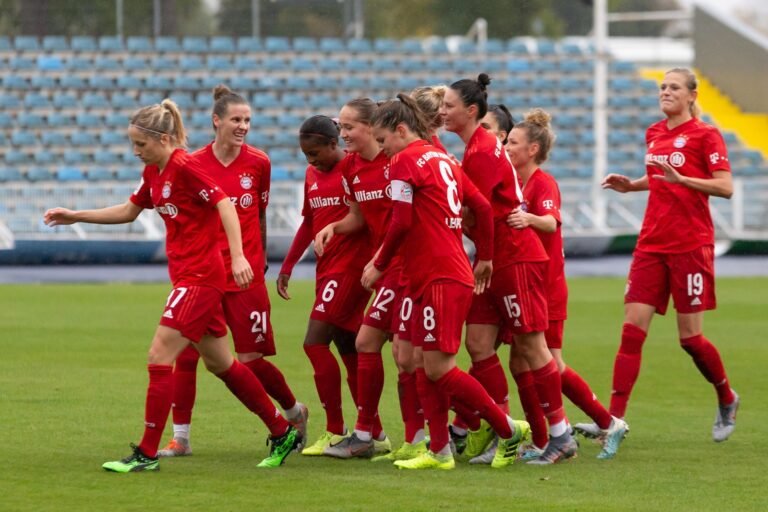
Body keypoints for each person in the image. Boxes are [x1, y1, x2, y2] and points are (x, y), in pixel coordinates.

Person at [43, 100, 301, 472]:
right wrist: (75, 215)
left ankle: (147, 453)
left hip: (201, 278)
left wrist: (240, 255)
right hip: (186, 276)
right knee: (221, 363)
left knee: (159, 355)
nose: (136, 151)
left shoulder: (184, 166)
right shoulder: (155, 171)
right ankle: (282, 430)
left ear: (163, 139)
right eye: (133, 144)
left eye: (141, 145)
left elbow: (226, 204)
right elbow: (130, 211)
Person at [362, 94, 530, 469]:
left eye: (383, 139)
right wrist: (483, 255)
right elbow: (483, 207)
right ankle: (438, 450)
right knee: (422, 360)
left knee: (438, 367)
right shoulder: (445, 159)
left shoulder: (404, 161)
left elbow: (401, 222)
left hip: (439, 275)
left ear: (401, 130)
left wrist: (379, 263)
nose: (383, 148)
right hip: (440, 272)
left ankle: (507, 428)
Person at [577, 68, 738, 443]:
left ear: (692, 96)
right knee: (631, 333)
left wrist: (685, 181)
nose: (665, 92)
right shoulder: (654, 132)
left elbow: (726, 187)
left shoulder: (706, 135)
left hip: (690, 245)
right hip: (651, 243)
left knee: (690, 340)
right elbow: (661, 176)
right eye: (662, 87)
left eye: (674, 87)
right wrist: (633, 185)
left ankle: (727, 397)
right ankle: (612, 423)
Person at [157, 86, 308, 458]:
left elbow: (257, 214)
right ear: (217, 121)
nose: (243, 126)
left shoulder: (259, 163)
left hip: (246, 275)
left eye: (247, 120)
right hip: (204, 273)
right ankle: (182, 438)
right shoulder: (192, 164)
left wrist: (259, 262)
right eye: (236, 119)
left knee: (251, 361)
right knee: (187, 354)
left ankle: (294, 412)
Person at [440, 74, 578, 464]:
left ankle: (560, 434)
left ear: (470, 111)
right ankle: (506, 431)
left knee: (533, 347)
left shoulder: (482, 151)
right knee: (479, 344)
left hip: (511, 257)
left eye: (449, 106)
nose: (443, 112)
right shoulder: (476, 149)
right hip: (492, 259)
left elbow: (479, 210)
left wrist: (478, 252)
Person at [505, 108, 628, 460]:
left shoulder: (543, 183)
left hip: (547, 284)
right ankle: (544, 437)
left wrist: (528, 218)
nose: (506, 147)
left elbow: (550, 222)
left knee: (549, 363)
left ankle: (605, 422)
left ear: (532, 149)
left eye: (512, 142)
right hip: (528, 281)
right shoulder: (518, 182)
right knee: (521, 362)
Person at [277, 115, 373, 456]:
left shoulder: (355, 169)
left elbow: (366, 218)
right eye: (305, 154)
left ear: (336, 144)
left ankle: (335, 430)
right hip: (327, 269)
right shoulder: (311, 175)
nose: (311, 160)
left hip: (350, 269)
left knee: (314, 343)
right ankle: (371, 431)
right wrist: (287, 266)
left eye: (315, 152)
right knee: (349, 350)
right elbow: (309, 222)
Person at [314, 98, 397, 459]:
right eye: (340, 127)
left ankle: (482, 424)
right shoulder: (352, 168)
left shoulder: (396, 161)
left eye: (348, 127)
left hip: (405, 267)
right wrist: (334, 226)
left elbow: (406, 221)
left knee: (419, 358)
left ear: (370, 127)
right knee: (376, 347)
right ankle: (371, 434)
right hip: (385, 269)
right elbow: (359, 217)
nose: (342, 133)